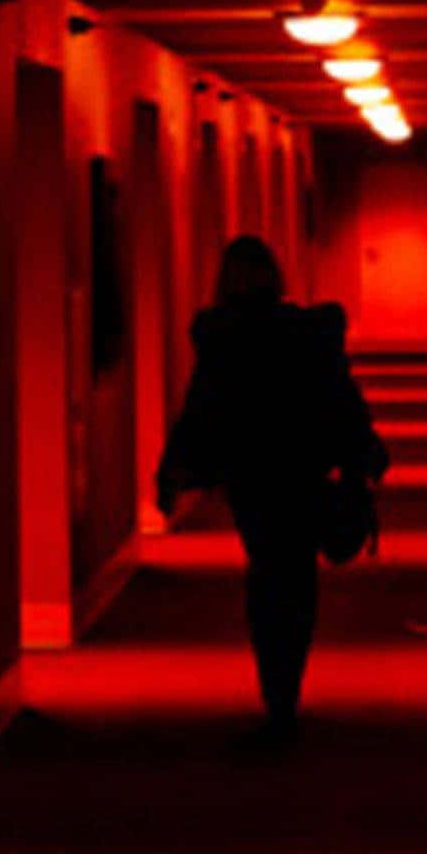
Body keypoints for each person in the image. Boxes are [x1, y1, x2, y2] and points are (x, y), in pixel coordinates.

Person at [156, 235, 388, 736]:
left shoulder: (221, 338)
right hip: (301, 467)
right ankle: (288, 680)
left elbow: (201, 408)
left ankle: (273, 682)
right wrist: (363, 450)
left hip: (250, 475)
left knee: (266, 568)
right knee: (297, 575)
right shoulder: (305, 332)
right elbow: (339, 396)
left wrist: (174, 468)